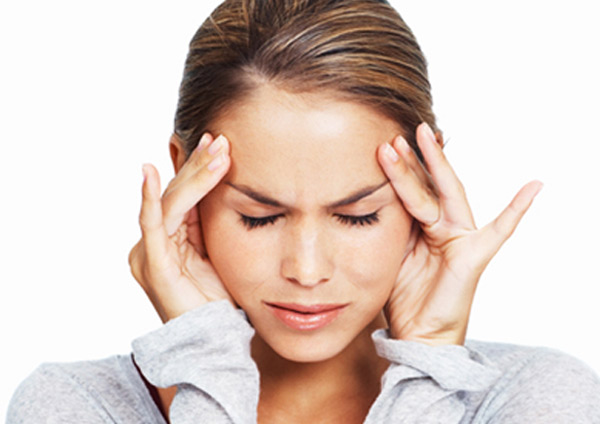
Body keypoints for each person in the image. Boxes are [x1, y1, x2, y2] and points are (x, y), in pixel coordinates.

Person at [7, 0, 600, 422]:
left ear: (428, 176)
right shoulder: (79, 406)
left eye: (358, 216)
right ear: (186, 179)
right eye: (259, 217)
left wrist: (433, 358)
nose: (308, 271)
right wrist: (202, 361)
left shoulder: (534, 399)